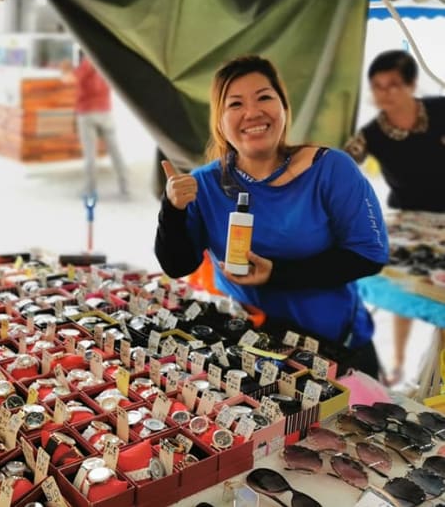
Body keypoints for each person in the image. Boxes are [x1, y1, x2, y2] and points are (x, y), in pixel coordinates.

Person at [154, 55, 389, 378]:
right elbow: (178, 264)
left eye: (264, 97)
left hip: (333, 349)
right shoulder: (206, 184)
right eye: (235, 104)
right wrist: (172, 209)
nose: (252, 112)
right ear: (219, 121)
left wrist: (277, 275)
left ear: (283, 107)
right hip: (247, 349)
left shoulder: (331, 169)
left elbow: (369, 254)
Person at [344, 49, 445, 386]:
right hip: (407, 218)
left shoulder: (440, 109)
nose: (385, 93)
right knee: (405, 285)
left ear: (411, 85)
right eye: (378, 86)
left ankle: (437, 369)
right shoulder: (372, 132)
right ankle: (399, 362)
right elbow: (342, 165)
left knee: (438, 292)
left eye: (393, 85)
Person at [61, 52, 128, 198]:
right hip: (105, 112)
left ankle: (90, 189)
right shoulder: (105, 61)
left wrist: (65, 70)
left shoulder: (87, 63)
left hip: (87, 113)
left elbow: (69, 79)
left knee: (90, 154)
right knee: (115, 151)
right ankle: (124, 186)